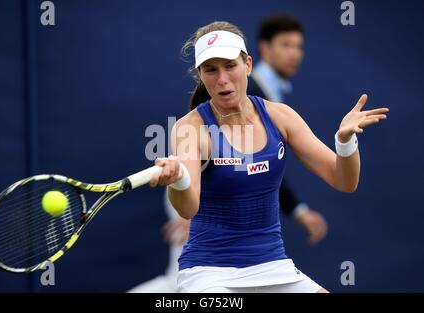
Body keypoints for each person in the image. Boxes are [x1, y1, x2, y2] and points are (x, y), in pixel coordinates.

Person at [149, 21, 388, 293]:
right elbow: (187, 208)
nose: (223, 79)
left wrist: (344, 142)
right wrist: (178, 179)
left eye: (230, 66)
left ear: (248, 64)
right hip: (209, 274)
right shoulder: (189, 128)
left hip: (273, 266)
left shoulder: (281, 116)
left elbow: (344, 180)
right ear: (201, 75)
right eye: (211, 70)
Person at [248, 14, 327, 244]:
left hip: (208, 197)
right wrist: (194, 199)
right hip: (202, 198)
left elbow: (263, 165)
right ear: (264, 47)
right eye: (285, 45)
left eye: (298, 46)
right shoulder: (250, 92)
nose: (295, 53)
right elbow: (217, 148)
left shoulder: (266, 94)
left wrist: (297, 210)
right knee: (183, 277)